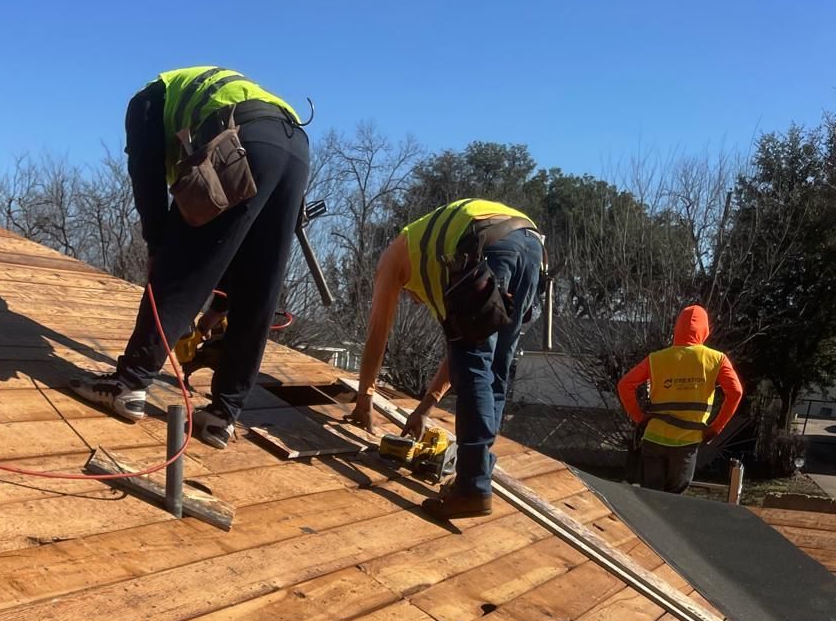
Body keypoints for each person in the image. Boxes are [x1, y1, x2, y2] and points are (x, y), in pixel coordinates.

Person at [72, 67, 309, 450]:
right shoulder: (210, 94)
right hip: (295, 146)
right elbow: (233, 241)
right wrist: (218, 306)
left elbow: (145, 174)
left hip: (241, 136)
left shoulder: (147, 101)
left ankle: (129, 384)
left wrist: (156, 246)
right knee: (261, 281)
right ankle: (222, 416)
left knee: (179, 265)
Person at [349, 197, 544, 519]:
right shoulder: (434, 262)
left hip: (485, 243)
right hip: (529, 243)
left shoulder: (394, 258)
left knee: (478, 363)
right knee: (494, 366)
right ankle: (478, 472)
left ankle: (472, 488)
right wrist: (424, 408)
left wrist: (364, 399)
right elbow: (459, 356)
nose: (413, 302)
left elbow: (377, 336)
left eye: (408, 297)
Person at [617, 305, 744, 493]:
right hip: (686, 443)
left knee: (650, 500)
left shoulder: (656, 358)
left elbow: (624, 385)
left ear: (677, 328)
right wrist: (715, 428)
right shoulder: (716, 359)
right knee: (673, 501)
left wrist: (639, 417)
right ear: (705, 330)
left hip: (654, 439)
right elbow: (736, 392)